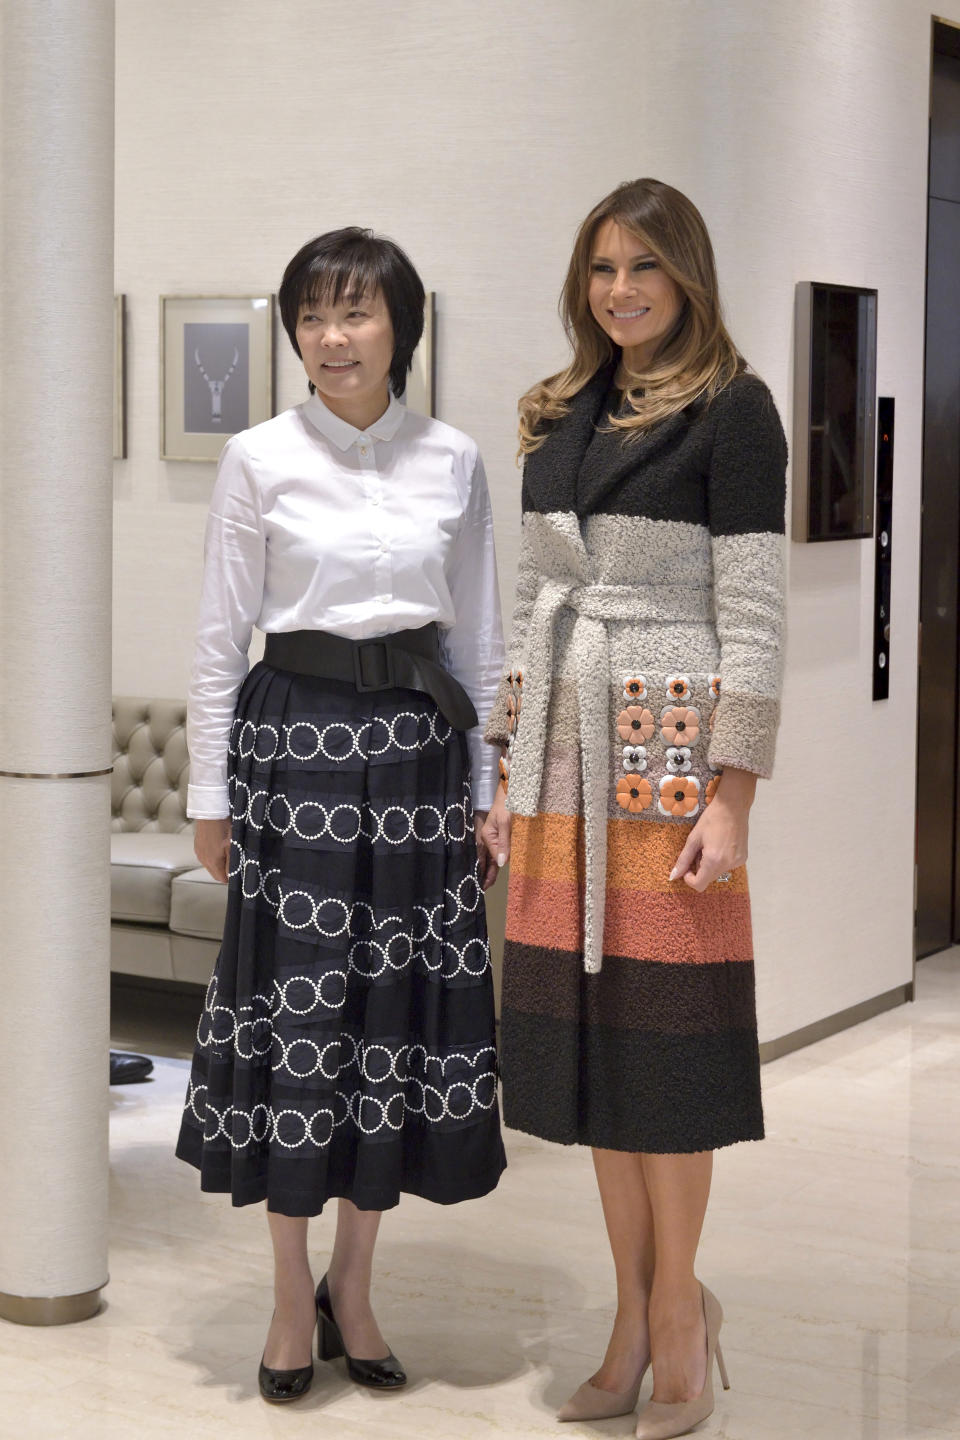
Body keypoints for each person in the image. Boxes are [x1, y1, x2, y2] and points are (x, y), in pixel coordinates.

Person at [176, 227, 507, 1404]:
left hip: (420, 763)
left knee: (391, 1024)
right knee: (296, 1016)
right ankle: (284, 1291)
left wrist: (485, 786)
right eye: (312, 315)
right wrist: (210, 797)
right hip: (291, 753)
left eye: (356, 313)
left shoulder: (454, 458)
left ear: (399, 329)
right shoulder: (258, 457)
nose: (331, 336)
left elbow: (479, 636)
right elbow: (220, 642)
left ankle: (355, 1285)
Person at [481, 178, 786, 1439]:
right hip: (560, 762)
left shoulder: (737, 409)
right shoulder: (554, 411)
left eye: (644, 268)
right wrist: (505, 770)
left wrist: (735, 797)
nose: (621, 291)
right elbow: (528, 602)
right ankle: (631, 1311)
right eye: (603, 268)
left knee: (669, 1054)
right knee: (598, 1062)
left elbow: (757, 615)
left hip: (666, 764)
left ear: (688, 276)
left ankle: (678, 1324)